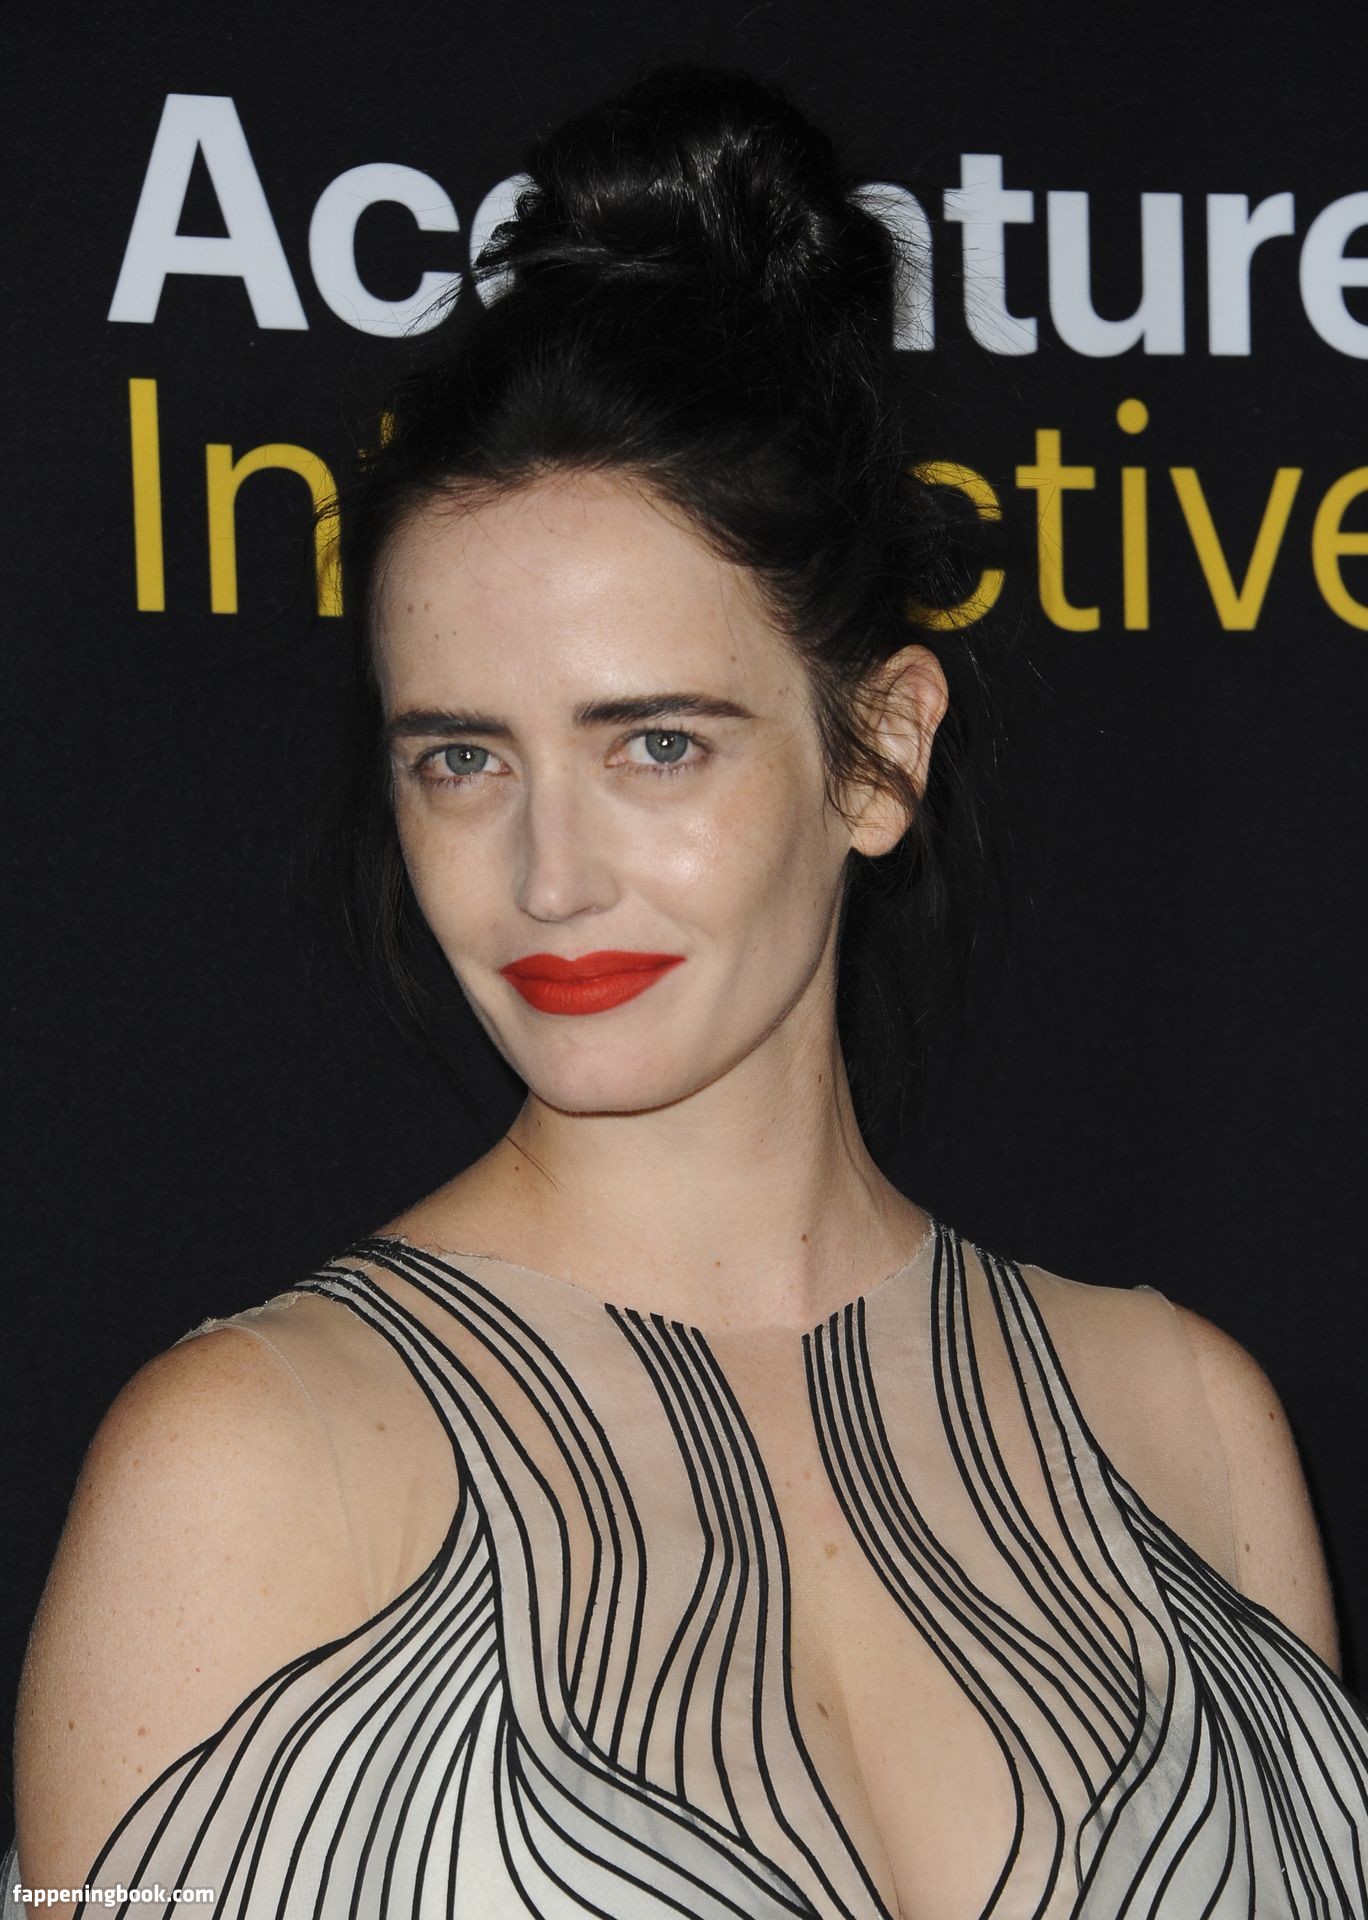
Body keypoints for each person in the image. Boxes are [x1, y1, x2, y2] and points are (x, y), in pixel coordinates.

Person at [7, 61, 1368, 1920]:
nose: (548, 876)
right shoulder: (247, 1467)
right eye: (461, 759)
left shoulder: (1190, 1425)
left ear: (878, 753)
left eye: (656, 744)